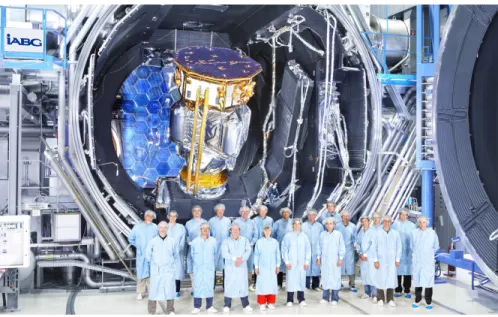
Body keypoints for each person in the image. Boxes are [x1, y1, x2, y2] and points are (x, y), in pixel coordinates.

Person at [145, 221, 177, 315]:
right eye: (161, 227)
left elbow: (175, 254)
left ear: (167, 229)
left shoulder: (172, 241)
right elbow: (148, 255)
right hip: (157, 270)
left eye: (165, 228)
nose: (163, 229)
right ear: (158, 229)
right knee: (154, 290)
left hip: (168, 270)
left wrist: (169, 263)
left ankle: (170, 310)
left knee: (170, 289)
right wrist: (155, 264)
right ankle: (151, 311)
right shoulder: (153, 241)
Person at [221, 223, 254, 313]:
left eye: (237, 229)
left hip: (241, 266)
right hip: (230, 266)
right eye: (233, 229)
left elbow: (248, 250)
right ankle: (227, 305)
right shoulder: (226, 241)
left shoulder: (245, 240)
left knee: (243, 285)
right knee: (229, 285)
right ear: (230, 230)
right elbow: (224, 253)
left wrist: (242, 259)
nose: (235, 231)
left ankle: (246, 305)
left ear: (239, 230)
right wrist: (235, 259)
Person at [128, 210, 159, 300]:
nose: (149, 217)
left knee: (151, 274)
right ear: (145, 216)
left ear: (153, 218)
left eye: (151, 216)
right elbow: (130, 238)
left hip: (152, 255)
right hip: (141, 255)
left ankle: (152, 293)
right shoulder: (137, 227)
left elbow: (158, 239)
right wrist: (138, 245)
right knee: (141, 274)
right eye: (148, 215)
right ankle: (140, 292)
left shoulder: (155, 227)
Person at [372, 215, 402, 307]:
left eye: (389, 221)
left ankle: (390, 299)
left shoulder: (395, 234)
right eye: (385, 221)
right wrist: (375, 260)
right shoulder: (377, 233)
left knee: (391, 280)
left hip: (392, 261)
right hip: (381, 260)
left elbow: (399, 247)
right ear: (382, 222)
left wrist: (397, 259)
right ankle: (380, 298)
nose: (387, 223)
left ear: (391, 223)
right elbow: (374, 247)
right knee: (380, 279)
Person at [411, 216, 439, 310]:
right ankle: (417, 300)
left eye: (424, 222)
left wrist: (428, 255)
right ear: (418, 223)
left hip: (428, 262)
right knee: (418, 281)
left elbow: (436, 246)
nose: (422, 224)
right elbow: (412, 246)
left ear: (427, 223)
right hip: (417, 261)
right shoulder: (414, 233)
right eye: (420, 222)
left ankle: (428, 301)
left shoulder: (432, 233)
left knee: (428, 282)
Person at [281, 218, 311, 307]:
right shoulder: (288, 236)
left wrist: (306, 262)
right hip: (291, 262)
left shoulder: (304, 236)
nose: (297, 225)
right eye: (295, 224)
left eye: (299, 224)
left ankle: (301, 299)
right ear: (292, 225)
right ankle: (289, 299)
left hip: (302, 263)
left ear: (301, 225)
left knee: (301, 280)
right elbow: (284, 249)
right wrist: (286, 261)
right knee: (290, 280)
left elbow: (308, 250)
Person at [191, 223, 218, 314]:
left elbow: (215, 253)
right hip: (198, 268)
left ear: (209, 230)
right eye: (203, 228)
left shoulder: (213, 241)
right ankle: (197, 306)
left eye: (207, 228)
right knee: (198, 286)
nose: (205, 230)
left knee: (209, 286)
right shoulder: (195, 241)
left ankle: (209, 306)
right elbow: (192, 254)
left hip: (209, 268)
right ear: (200, 229)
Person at [317, 218, 345, 306]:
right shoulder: (322, 235)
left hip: (335, 260)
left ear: (334, 224)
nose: (329, 225)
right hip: (325, 261)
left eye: (331, 223)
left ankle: (335, 298)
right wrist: (318, 257)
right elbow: (319, 247)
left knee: (335, 278)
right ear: (325, 225)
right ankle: (325, 297)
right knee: (325, 277)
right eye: (327, 224)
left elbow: (342, 247)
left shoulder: (338, 234)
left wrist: (340, 258)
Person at [254, 223, 281, 312]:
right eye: (265, 230)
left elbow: (278, 255)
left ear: (271, 231)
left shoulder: (275, 242)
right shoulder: (259, 242)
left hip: (272, 267)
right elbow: (256, 255)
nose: (267, 231)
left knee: (272, 284)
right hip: (262, 267)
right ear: (263, 231)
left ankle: (270, 302)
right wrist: (256, 267)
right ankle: (262, 303)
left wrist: (277, 266)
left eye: (269, 230)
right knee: (262, 284)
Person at [392, 208, 416, 299]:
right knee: (397, 271)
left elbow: (414, 238)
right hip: (397, 252)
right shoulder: (394, 225)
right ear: (399, 215)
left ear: (407, 216)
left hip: (408, 252)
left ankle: (407, 290)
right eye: (402, 214)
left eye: (405, 215)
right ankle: (398, 289)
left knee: (407, 271)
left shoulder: (412, 226)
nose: (403, 216)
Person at [233, 206, 258, 291]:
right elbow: (232, 233)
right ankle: (238, 285)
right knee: (239, 265)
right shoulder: (236, 222)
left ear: (248, 213)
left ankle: (249, 284)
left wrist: (251, 243)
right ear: (240, 213)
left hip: (249, 248)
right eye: (243, 211)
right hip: (238, 249)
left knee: (249, 266)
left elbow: (255, 235)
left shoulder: (252, 222)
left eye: (246, 212)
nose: (245, 213)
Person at [208, 203, 231, 289]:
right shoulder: (211, 221)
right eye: (218, 210)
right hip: (214, 247)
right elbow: (208, 234)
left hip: (225, 246)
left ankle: (225, 285)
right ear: (216, 211)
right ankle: (212, 285)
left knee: (225, 266)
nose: (220, 212)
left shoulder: (228, 221)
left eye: (222, 210)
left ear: (224, 211)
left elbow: (230, 233)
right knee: (213, 265)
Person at [185, 205, 207, 295]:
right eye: (195, 211)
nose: (197, 212)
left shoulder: (205, 222)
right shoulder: (188, 223)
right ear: (192, 212)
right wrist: (189, 242)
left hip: (203, 250)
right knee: (193, 270)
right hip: (192, 249)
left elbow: (209, 235)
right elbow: (186, 236)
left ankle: (203, 288)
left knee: (202, 269)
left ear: (201, 212)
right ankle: (194, 288)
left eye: (199, 211)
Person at [252, 205, 274, 291]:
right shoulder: (254, 220)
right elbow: (254, 232)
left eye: (264, 211)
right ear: (258, 211)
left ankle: (267, 282)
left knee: (267, 263)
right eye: (261, 211)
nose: (262, 212)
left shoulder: (270, 220)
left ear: (266, 211)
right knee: (257, 264)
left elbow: (272, 232)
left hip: (268, 244)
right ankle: (257, 282)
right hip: (258, 244)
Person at [301, 209, 324, 291]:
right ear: (307, 216)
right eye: (309, 215)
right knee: (306, 267)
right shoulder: (303, 226)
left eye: (313, 215)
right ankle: (306, 285)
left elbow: (322, 238)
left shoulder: (320, 226)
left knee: (316, 267)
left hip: (316, 249)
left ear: (315, 216)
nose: (311, 217)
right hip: (305, 249)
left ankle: (315, 286)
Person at [335, 211, 358, 292]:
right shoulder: (337, 226)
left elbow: (355, 238)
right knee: (338, 267)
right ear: (341, 217)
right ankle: (338, 283)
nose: (346, 218)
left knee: (350, 267)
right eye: (344, 216)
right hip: (339, 249)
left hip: (349, 250)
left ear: (349, 217)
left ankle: (352, 285)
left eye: (347, 216)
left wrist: (356, 246)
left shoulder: (353, 226)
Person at [357, 215, 377, 302]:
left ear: (369, 222)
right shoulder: (360, 232)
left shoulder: (373, 232)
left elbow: (373, 246)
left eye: (366, 221)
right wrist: (360, 253)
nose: (364, 223)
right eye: (362, 221)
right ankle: (367, 293)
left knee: (372, 276)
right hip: (362, 258)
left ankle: (375, 295)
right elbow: (357, 243)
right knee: (365, 275)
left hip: (370, 257)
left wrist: (365, 254)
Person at [167, 211, 186, 298]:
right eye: (171, 216)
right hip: (166, 254)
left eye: (174, 216)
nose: (172, 218)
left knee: (177, 273)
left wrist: (177, 250)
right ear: (168, 217)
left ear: (176, 217)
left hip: (178, 254)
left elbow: (182, 241)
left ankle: (176, 290)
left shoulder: (181, 227)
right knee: (168, 272)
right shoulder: (164, 226)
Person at [272, 207, 293, 288]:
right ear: (282, 213)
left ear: (289, 213)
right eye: (284, 212)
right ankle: (279, 283)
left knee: (290, 263)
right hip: (280, 245)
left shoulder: (293, 222)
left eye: (287, 212)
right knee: (279, 263)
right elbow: (273, 234)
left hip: (291, 246)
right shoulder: (277, 223)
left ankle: (290, 283)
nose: (285, 214)